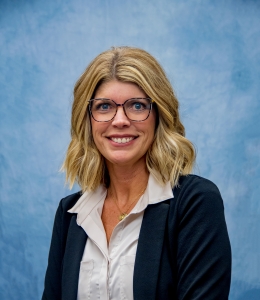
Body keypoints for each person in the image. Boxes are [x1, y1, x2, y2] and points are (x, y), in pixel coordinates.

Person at [42, 46, 231, 300]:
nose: (120, 120)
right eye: (105, 106)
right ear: (87, 120)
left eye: (138, 105)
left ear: (159, 116)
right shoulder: (70, 214)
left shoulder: (196, 203)